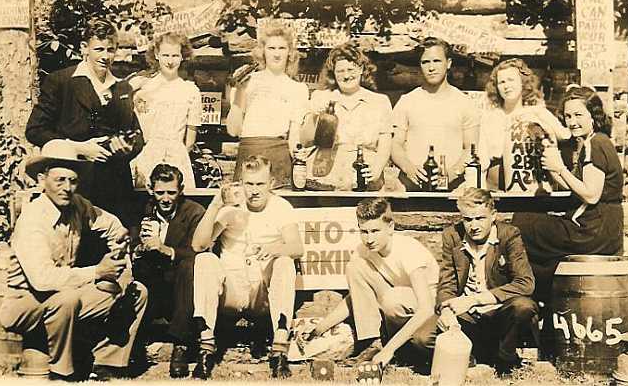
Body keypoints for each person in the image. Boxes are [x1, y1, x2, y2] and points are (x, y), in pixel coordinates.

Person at [0, 140, 148, 381]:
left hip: (64, 295)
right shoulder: (33, 220)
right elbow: (43, 280)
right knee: (66, 298)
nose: (66, 188)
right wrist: (98, 272)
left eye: (72, 181)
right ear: (41, 180)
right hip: (24, 303)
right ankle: (62, 371)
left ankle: (105, 364)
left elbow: (109, 224)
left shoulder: (76, 205)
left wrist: (120, 246)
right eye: (59, 180)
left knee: (136, 291)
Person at [190, 155, 304, 379]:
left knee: (284, 262)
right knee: (205, 260)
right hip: (231, 292)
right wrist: (216, 204)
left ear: (270, 183)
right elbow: (198, 245)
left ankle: (279, 350)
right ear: (241, 183)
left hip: (261, 294)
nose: (254, 190)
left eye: (260, 184)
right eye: (249, 184)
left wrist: (276, 247)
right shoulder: (231, 208)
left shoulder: (281, 207)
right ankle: (206, 348)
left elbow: (297, 247)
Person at [25, 18, 144, 227]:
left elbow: (136, 135)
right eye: (99, 49)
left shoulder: (122, 88)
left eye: (110, 50)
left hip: (115, 185)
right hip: (75, 183)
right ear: (84, 48)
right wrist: (78, 148)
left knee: (115, 241)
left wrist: (127, 147)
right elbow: (35, 130)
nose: (105, 56)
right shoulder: (61, 81)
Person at [512, 86, 624, 302]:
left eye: (578, 115)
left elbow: (591, 195)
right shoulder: (595, 142)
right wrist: (555, 171)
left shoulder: (596, 144)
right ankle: (550, 295)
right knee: (546, 260)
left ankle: (532, 293)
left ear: (594, 115)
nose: (572, 121)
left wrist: (560, 168)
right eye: (568, 116)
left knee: (521, 224)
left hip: (592, 231)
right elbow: (580, 188)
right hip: (605, 230)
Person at [302, 198, 439, 370]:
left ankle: (390, 348)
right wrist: (320, 328)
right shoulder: (364, 250)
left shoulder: (408, 249)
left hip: (429, 312)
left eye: (375, 231)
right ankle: (373, 343)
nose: (369, 238)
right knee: (355, 266)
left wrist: (389, 350)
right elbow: (355, 297)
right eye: (364, 231)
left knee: (392, 298)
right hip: (396, 309)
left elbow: (426, 308)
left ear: (390, 228)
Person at [425, 187, 538, 377]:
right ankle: (474, 354)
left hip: (499, 312)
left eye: (480, 218)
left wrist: (475, 299)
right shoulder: (452, 236)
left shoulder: (509, 235)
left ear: (493, 215)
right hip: (466, 317)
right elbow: (447, 284)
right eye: (468, 219)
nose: (474, 226)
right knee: (422, 339)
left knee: (524, 307)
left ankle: (504, 359)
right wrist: (446, 310)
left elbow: (526, 283)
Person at [130, 163, 205, 378]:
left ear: (180, 190)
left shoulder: (193, 212)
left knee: (189, 266)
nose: (165, 198)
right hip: (152, 283)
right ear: (151, 190)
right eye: (160, 192)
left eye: (171, 192)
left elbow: (198, 250)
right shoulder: (142, 209)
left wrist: (166, 249)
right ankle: (133, 343)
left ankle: (181, 345)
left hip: (180, 287)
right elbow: (129, 242)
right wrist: (137, 248)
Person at [226, 20, 309, 188]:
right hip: (249, 153)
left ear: (290, 53)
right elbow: (233, 130)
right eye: (271, 48)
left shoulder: (298, 88)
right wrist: (240, 91)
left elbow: (294, 136)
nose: (276, 54)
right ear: (262, 51)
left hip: (279, 156)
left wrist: (299, 157)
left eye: (282, 48)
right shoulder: (247, 81)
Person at [299, 42, 392, 191]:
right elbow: (305, 140)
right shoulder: (321, 97)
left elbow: (385, 141)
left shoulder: (379, 101)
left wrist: (377, 168)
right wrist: (314, 116)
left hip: (365, 173)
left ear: (361, 69)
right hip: (326, 174)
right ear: (333, 73)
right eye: (340, 71)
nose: (346, 75)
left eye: (351, 69)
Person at [391, 37, 479, 191]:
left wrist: (452, 173)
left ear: (449, 63)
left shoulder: (465, 103)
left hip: (454, 189)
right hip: (413, 188)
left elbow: (471, 149)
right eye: (426, 62)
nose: (431, 68)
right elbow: (395, 144)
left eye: (437, 61)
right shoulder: (407, 101)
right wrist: (408, 168)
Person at [478, 58, 570, 192]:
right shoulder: (490, 117)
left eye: (511, 80)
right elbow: (482, 160)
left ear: (523, 82)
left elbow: (565, 135)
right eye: (501, 82)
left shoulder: (537, 112)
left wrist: (539, 117)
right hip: (497, 191)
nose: (506, 86)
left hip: (533, 189)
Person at [130, 33, 202, 190]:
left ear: (182, 56)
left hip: (177, 156)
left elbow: (190, 138)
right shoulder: (144, 88)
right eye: (165, 55)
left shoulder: (190, 91)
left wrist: (179, 155)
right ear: (157, 55)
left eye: (175, 55)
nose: (170, 61)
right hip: (148, 154)